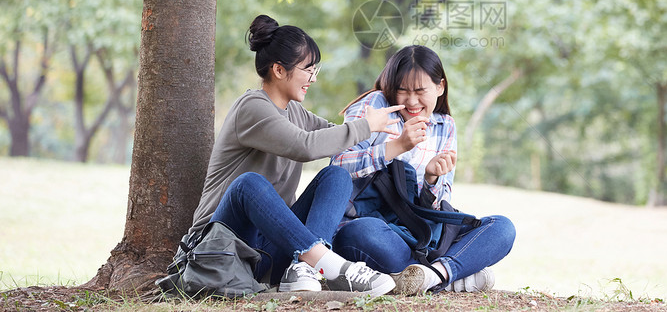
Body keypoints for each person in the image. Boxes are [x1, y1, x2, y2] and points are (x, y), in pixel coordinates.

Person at [185, 15, 401, 296]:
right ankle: (331, 265)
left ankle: (306, 269)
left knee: (335, 176)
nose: (312, 78)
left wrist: (396, 142)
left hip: (270, 247)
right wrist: (364, 126)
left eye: (315, 70)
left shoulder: (295, 112)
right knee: (248, 184)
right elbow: (306, 146)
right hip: (222, 246)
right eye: (308, 69)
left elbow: (338, 139)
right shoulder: (251, 107)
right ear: (278, 69)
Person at [330, 45, 516, 295]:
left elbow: (440, 205)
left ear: (440, 87)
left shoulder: (444, 125)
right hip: (371, 225)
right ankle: (452, 274)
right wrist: (397, 146)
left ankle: (430, 275)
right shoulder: (375, 106)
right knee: (362, 234)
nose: (412, 101)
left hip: (418, 231)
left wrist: (431, 179)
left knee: (502, 228)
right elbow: (338, 165)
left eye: (420, 91)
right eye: (402, 91)